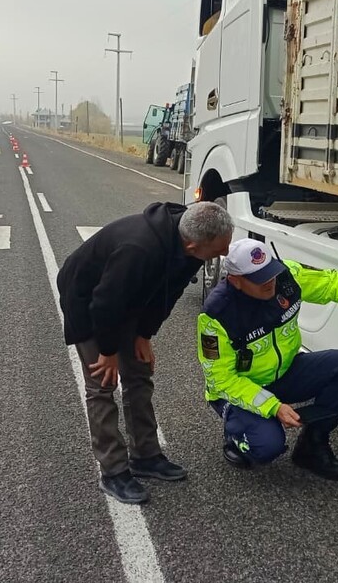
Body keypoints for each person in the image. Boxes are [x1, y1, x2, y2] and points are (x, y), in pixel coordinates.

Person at [59, 201, 233, 504]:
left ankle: (145, 455)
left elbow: (168, 292)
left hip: (127, 299)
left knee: (139, 374)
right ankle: (113, 471)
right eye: (220, 250)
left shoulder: (191, 244)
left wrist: (144, 334)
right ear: (194, 244)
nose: (225, 254)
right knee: (103, 385)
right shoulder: (139, 250)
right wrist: (108, 351)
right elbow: (105, 303)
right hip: (88, 301)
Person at [196, 239, 338, 480]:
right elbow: (221, 381)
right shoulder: (215, 317)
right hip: (242, 389)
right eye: (259, 279)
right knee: (267, 446)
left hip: (284, 371)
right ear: (235, 281)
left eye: (270, 274)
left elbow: (329, 282)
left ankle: (313, 445)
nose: (270, 284)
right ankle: (236, 436)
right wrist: (273, 406)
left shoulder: (285, 276)